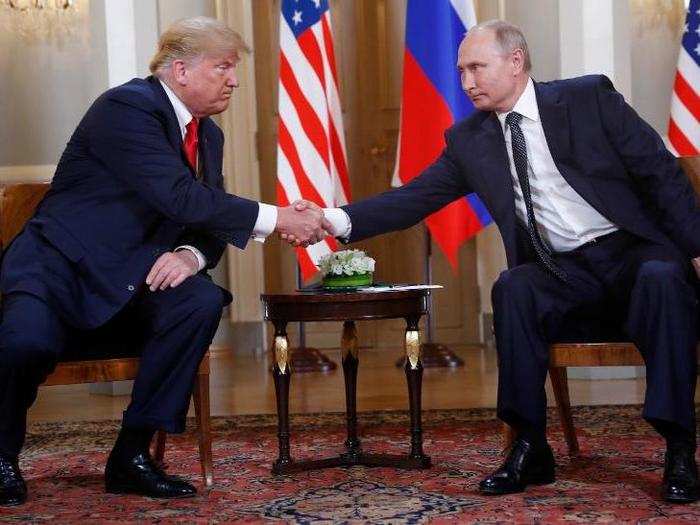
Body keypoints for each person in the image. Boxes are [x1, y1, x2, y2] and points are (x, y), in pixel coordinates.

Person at [293, 19, 700, 503]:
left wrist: (695, 248)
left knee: (662, 275)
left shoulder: (587, 99)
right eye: (461, 70)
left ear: (515, 62)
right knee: (514, 287)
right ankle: (530, 445)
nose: (466, 82)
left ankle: (679, 448)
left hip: (632, 256)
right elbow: (414, 199)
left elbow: (659, 173)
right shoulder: (470, 139)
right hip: (563, 272)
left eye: (477, 68)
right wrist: (331, 220)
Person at [0, 16, 329, 506]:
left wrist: (191, 256)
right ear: (180, 70)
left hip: (132, 278)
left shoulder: (207, 135)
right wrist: (280, 216)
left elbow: (207, 216)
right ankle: (1, 456)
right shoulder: (125, 108)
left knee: (197, 301)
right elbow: (179, 197)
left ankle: (132, 455)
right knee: (26, 342)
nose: (233, 80)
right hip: (58, 270)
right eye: (223, 67)